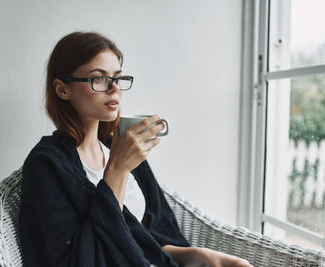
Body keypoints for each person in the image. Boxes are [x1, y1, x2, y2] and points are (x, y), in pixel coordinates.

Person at [20, 31, 252, 267]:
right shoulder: (47, 164)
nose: (114, 89)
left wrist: (198, 255)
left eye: (117, 78)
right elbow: (78, 259)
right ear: (62, 89)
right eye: (99, 79)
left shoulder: (118, 147)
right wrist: (117, 171)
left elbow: (151, 237)